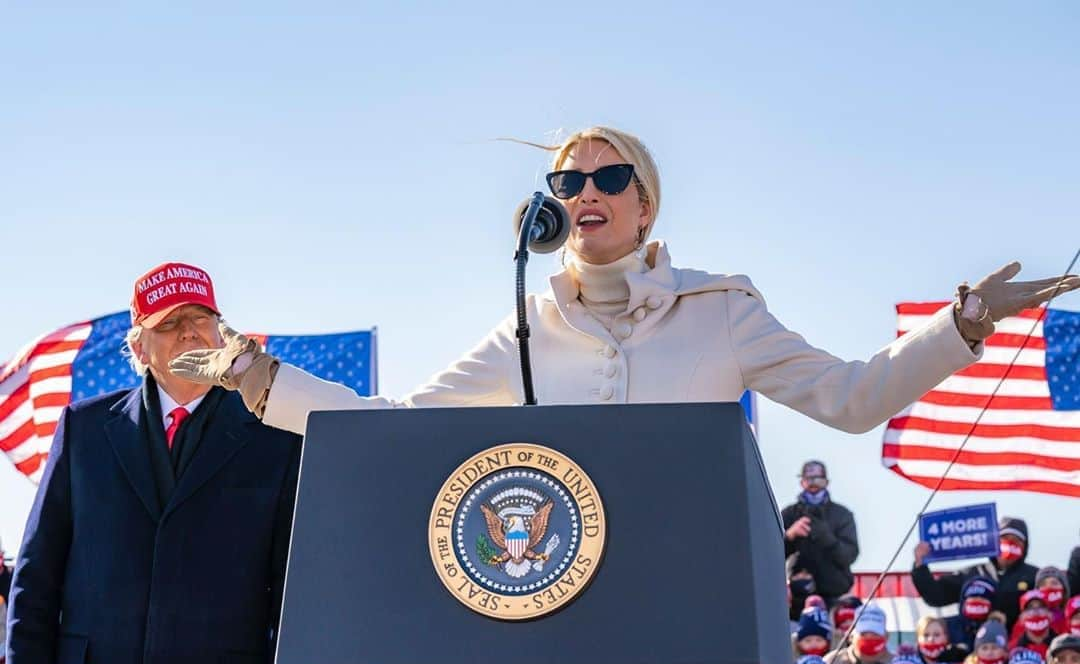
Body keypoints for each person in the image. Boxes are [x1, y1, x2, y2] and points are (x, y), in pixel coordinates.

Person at [168, 125, 1078, 453]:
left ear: (647, 206)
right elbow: (404, 418)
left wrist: (964, 325)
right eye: (568, 184)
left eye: (609, 180)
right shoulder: (529, 324)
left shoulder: (720, 309)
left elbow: (850, 398)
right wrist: (258, 380)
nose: (587, 194)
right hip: (559, 609)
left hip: (698, 607)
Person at [1, 263, 303, 664]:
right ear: (139, 347)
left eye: (201, 318)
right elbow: (37, 573)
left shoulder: (275, 437)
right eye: (170, 323)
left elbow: (290, 594)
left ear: (223, 335)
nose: (189, 333)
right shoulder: (83, 430)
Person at [914, 519, 1039, 630]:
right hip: (976, 647)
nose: (1010, 544)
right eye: (1005, 539)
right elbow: (935, 595)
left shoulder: (1034, 576)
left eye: (1016, 540)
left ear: (1025, 546)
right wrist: (920, 566)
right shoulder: (973, 574)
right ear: (994, 542)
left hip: (1017, 646)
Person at [782, 460, 860, 607]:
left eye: (818, 479)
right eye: (808, 479)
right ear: (802, 482)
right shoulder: (788, 514)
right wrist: (790, 536)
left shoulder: (842, 515)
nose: (813, 484)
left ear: (826, 482)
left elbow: (850, 555)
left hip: (835, 597)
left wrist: (827, 538)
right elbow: (771, 555)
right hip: (798, 598)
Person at [1012, 590, 1058, 659]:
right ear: (1021, 617)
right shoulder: (1012, 649)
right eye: (1030, 608)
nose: (1036, 612)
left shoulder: (1062, 645)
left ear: (1051, 615)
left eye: (1041, 607)